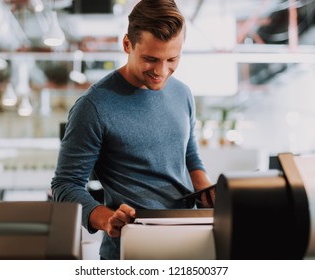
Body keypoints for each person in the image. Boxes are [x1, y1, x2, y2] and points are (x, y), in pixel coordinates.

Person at [51, 0, 214, 260]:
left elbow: (188, 154)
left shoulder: (183, 93)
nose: (161, 71)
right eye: (150, 59)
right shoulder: (93, 107)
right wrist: (106, 219)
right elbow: (65, 185)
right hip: (132, 248)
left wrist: (207, 190)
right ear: (127, 44)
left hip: (191, 241)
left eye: (172, 59)